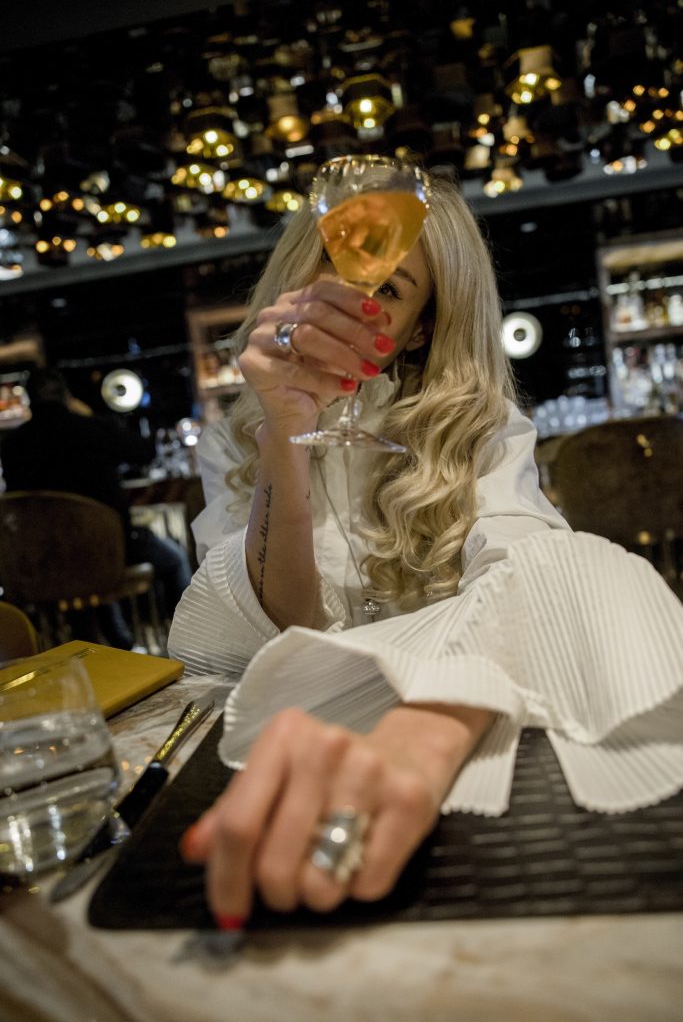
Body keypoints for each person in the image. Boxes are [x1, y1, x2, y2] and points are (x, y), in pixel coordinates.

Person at [168, 173, 683, 927]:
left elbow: (537, 572)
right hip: (283, 739)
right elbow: (274, 631)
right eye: (330, 268)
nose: (343, 302)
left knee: (594, 565)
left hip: (457, 743)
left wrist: (425, 734)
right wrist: (285, 432)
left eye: (386, 288)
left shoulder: (479, 427)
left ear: (414, 330)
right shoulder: (229, 442)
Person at [1, 366, 192, 648]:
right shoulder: (93, 428)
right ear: (66, 396)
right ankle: (190, 641)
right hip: (109, 552)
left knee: (81, 569)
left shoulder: (13, 445)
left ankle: (114, 643)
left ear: (28, 400)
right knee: (175, 559)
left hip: (45, 562)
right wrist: (88, 415)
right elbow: (145, 451)